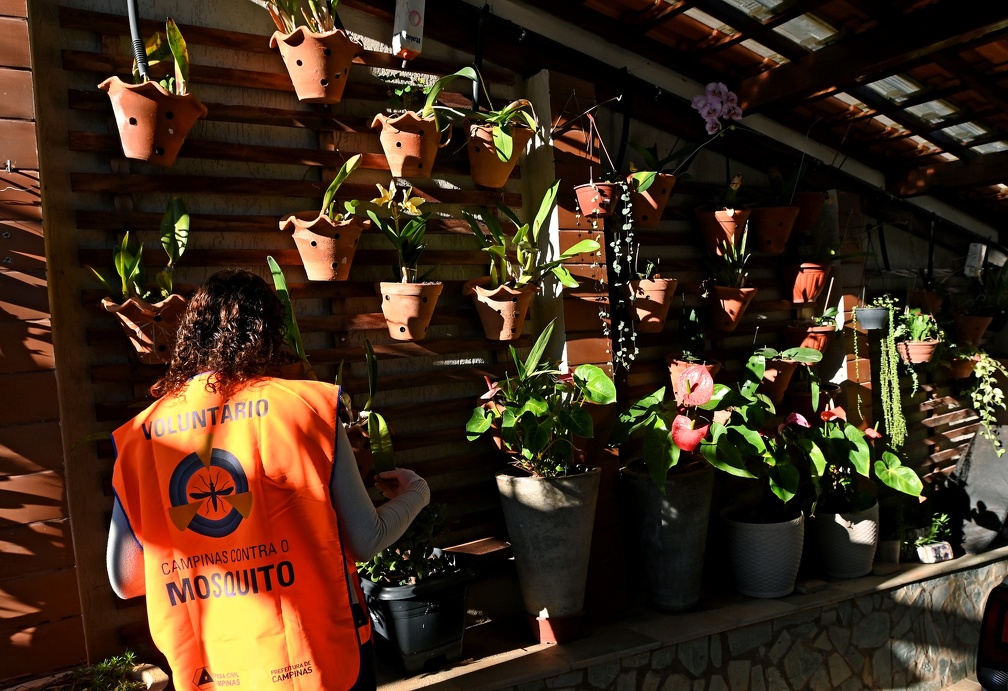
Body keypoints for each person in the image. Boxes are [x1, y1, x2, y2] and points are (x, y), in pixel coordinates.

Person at [106, 269, 429, 691]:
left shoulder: (138, 437)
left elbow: (126, 580)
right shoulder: (307, 408)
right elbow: (367, 539)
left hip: (216, 667)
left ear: (190, 335)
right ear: (269, 334)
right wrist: (417, 493)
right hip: (317, 658)